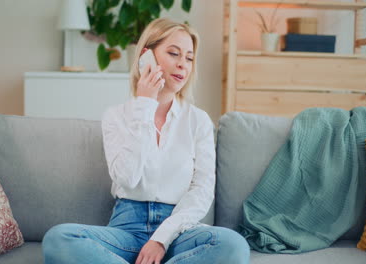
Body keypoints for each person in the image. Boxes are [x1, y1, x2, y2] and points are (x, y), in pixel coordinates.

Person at [42, 18, 250, 264]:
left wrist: (160, 239)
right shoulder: (116, 116)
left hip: (178, 233)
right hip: (126, 231)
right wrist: (145, 105)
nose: (183, 64)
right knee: (59, 238)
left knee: (234, 246)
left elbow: (202, 192)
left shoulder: (198, 121)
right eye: (174, 53)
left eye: (189, 58)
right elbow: (126, 178)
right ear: (146, 57)